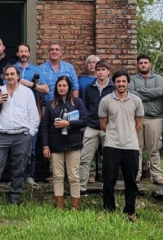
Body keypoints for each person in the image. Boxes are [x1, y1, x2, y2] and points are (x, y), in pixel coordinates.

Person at [0, 65, 39, 205]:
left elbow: (34, 116)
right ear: (4, 76)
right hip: (2, 136)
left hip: (22, 135)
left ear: (18, 76)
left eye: (12, 74)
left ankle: (14, 197)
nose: (9, 77)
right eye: (7, 74)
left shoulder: (26, 92)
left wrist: (29, 135)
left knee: (19, 169)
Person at [98, 70, 144, 222]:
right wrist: (116, 134)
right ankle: (109, 209)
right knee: (108, 180)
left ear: (128, 83)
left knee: (131, 181)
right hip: (111, 145)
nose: (121, 84)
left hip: (131, 146)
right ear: (114, 83)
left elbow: (139, 124)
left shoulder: (136, 101)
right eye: (118, 81)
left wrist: (128, 135)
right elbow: (103, 125)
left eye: (124, 81)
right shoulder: (105, 101)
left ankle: (130, 210)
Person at [41, 76, 87, 210]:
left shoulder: (77, 102)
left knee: (73, 175)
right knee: (58, 176)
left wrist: (69, 123)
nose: (61, 88)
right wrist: (45, 145)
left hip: (73, 144)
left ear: (69, 88)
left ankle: (75, 206)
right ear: (56, 87)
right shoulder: (51, 104)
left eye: (64, 86)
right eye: (59, 85)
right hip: (56, 145)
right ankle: (59, 205)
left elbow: (84, 121)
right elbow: (45, 126)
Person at [13, 44, 49, 188]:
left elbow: (45, 89)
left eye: (26, 51)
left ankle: (29, 176)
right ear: (17, 53)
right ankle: (16, 176)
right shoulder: (12, 69)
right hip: (15, 114)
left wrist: (31, 85)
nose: (23, 53)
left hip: (31, 114)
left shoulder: (36, 70)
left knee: (32, 148)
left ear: (29, 53)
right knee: (15, 148)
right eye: (21, 51)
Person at [128, 54, 163, 186]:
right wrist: (150, 94)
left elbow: (159, 92)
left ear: (150, 64)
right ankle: (136, 175)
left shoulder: (159, 78)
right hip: (136, 118)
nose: (143, 65)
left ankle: (157, 176)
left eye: (145, 63)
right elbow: (131, 93)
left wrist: (141, 92)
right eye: (141, 63)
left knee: (154, 149)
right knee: (136, 149)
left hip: (155, 118)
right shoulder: (132, 79)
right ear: (138, 65)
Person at [79, 61, 115, 192]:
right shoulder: (89, 87)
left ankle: (109, 187)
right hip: (92, 126)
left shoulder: (113, 88)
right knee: (84, 158)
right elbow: (86, 105)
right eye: (98, 69)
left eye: (103, 69)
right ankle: (81, 188)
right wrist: (89, 118)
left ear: (108, 72)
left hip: (109, 128)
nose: (100, 72)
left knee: (109, 159)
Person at [78, 55, 103, 183]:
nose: (92, 64)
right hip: (89, 119)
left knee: (104, 149)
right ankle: (91, 173)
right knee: (89, 148)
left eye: (95, 62)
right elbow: (82, 100)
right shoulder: (82, 81)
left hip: (105, 121)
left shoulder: (108, 82)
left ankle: (101, 172)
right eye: (90, 63)